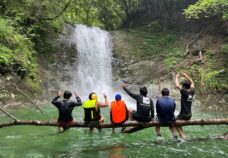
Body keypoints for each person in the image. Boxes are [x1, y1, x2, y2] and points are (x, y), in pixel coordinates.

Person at [175, 72, 195, 139]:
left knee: (174, 122)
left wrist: (176, 77)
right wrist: (186, 76)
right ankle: (183, 135)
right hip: (189, 114)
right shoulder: (192, 91)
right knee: (179, 124)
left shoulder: (184, 92)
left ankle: (183, 136)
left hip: (183, 115)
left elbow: (177, 86)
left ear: (184, 87)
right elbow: (192, 83)